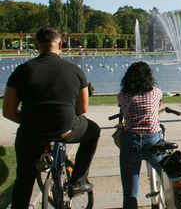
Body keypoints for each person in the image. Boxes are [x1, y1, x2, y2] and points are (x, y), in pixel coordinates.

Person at [2, 26, 100, 208]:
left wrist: (30, 121)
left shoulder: (21, 71)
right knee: (93, 131)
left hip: (31, 133)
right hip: (66, 129)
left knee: (24, 178)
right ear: (60, 45)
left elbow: (8, 111)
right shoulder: (75, 70)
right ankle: (78, 181)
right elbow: (83, 108)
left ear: (36, 46)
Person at [117, 61, 163, 208]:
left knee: (130, 193)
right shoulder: (156, 92)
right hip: (152, 142)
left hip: (131, 142)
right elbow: (158, 106)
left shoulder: (122, 96)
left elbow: (122, 110)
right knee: (168, 175)